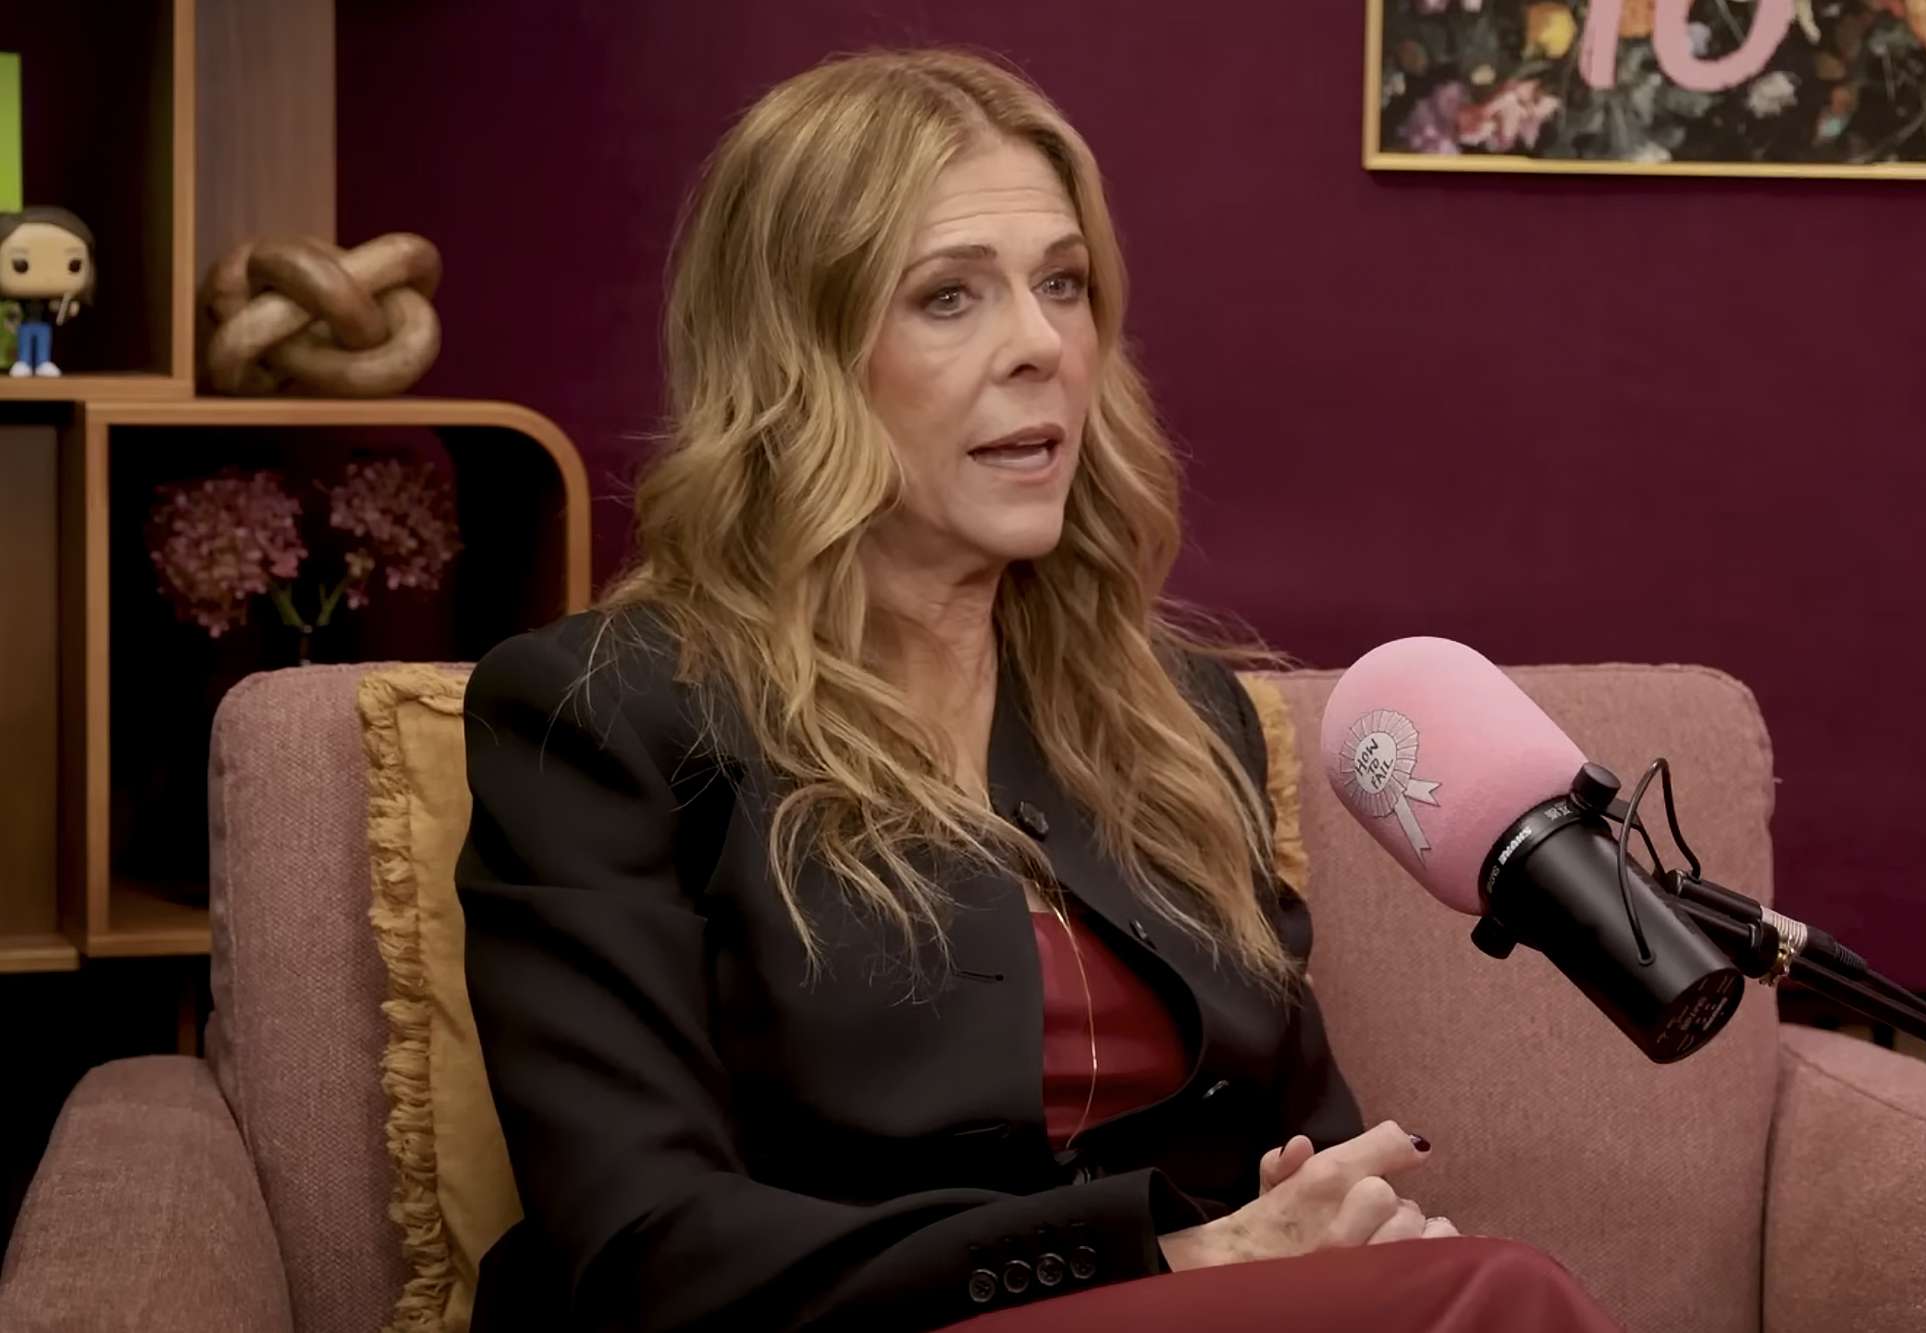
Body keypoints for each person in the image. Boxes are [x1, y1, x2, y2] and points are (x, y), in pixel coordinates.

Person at [458, 47, 1625, 1333]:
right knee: (1500, 1295)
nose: (1040, 345)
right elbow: (646, 1246)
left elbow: (1299, 1143)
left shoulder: (1179, 719)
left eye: (1061, 284)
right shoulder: (599, 714)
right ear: (794, 356)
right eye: (948, 296)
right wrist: (1155, 1256)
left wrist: (1337, 1227)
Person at [0, 207, 94, 377]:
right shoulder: (20, 302)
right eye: (20, 265)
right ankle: (24, 361)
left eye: (74, 265)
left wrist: (67, 308)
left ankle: (43, 362)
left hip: (43, 325)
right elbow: (11, 312)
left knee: (43, 340)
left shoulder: (51, 301)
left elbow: (59, 311)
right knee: (25, 340)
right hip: (25, 324)